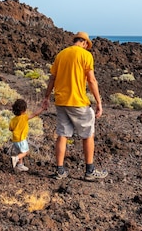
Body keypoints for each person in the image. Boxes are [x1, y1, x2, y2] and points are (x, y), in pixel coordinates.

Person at [41, 31, 108, 181]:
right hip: (78, 102)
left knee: (62, 135)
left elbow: (52, 78)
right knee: (88, 135)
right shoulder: (86, 55)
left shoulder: (61, 55)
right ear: (84, 42)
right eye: (87, 45)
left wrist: (46, 97)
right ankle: (90, 171)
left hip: (61, 101)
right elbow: (91, 80)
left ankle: (60, 170)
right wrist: (99, 102)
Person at [8, 98, 43, 172]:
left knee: (20, 152)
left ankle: (20, 165)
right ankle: (16, 158)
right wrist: (42, 108)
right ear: (23, 110)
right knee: (25, 152)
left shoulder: (13, 120)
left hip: (15, 140)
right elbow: (35, 114)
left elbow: (10, 129)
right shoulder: (24, 117)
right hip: (21, 139)